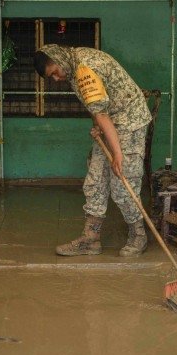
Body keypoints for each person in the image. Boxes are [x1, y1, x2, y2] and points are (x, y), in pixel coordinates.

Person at [34, 45, 152, 257]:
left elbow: (102, 113)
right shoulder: (72, 64)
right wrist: (98, 127)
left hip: (129, 121)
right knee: (95, 179)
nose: (56, 79)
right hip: (110, 122)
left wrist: (117, 155)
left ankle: (138, 235)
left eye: (54, 73)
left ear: (58, 60)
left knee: (122, 180)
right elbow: (96, 108)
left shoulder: (85, 69)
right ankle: (91, 238)